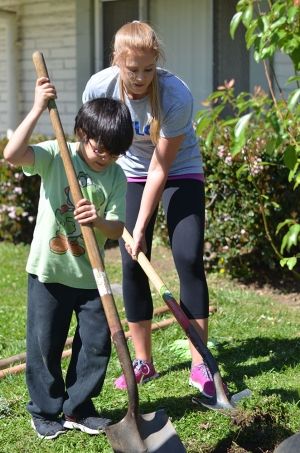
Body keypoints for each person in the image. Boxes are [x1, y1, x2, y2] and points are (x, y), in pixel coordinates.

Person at [82, 20, 216, 398]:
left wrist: (139, 225)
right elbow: (95, 139)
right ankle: (143, 360)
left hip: (179, 169)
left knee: (188, 257)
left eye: (147, 69)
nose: (140, 78)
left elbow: (160, 167)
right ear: (116, 62)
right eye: (131, 70)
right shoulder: (99, 86)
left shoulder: (175, 95)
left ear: (156, 61)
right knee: (131, 261)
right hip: (129, 172)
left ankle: (200, 361)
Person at [3, 77, 133, 439]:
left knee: (97, 342)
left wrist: (99, 220)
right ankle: (44, 410)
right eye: (99, 147)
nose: (104, 156)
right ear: (81, 132)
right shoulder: (57, 154)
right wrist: (35, 109)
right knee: (45, 344)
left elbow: (116, 227)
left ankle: (79, 407)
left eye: (113, 151)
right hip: (50, 271)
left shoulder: (116, 176)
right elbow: (11, 155)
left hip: (91, 275)